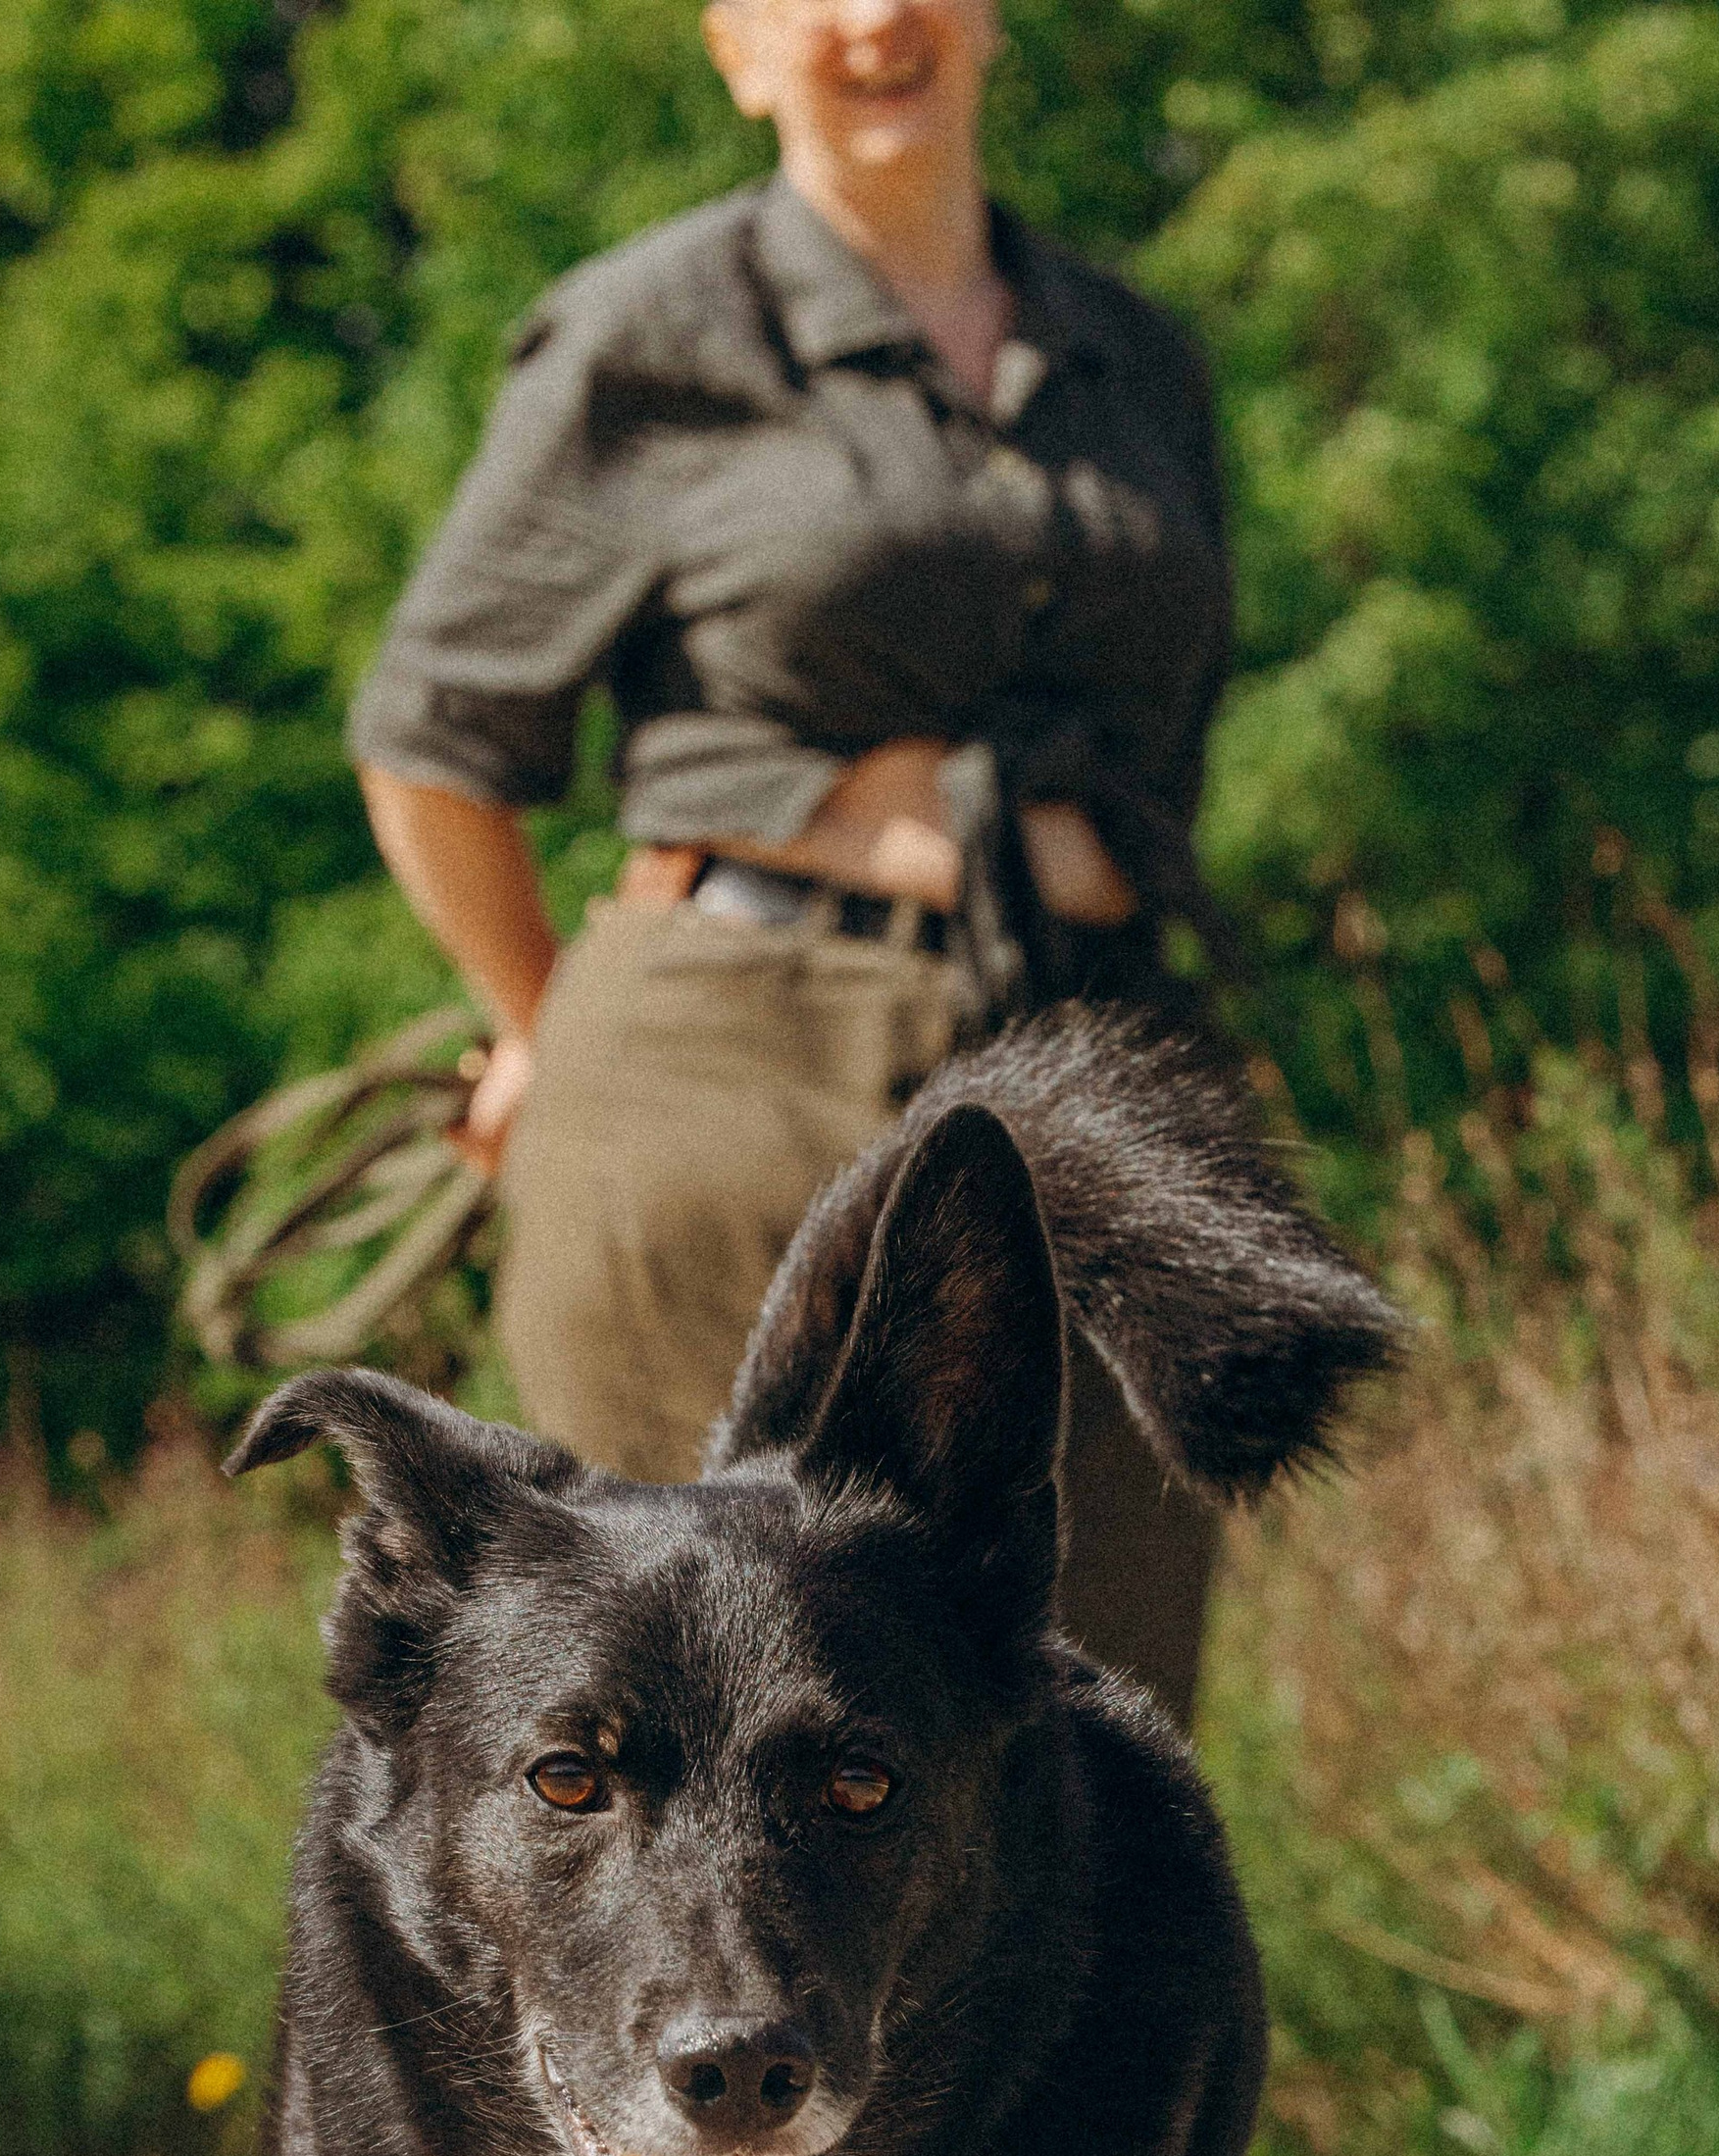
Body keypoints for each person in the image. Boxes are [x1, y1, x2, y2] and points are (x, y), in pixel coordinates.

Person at [347, 0, 1235, 1719]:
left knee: (1095, 1758)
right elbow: (430, 741)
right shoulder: (651, 332)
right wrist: (533, 1023)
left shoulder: (1141, 358)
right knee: (734, 1742)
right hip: (729, 1083)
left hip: (1098, 1086)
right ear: (734, 49)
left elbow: (1173, 735)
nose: (874, 18)